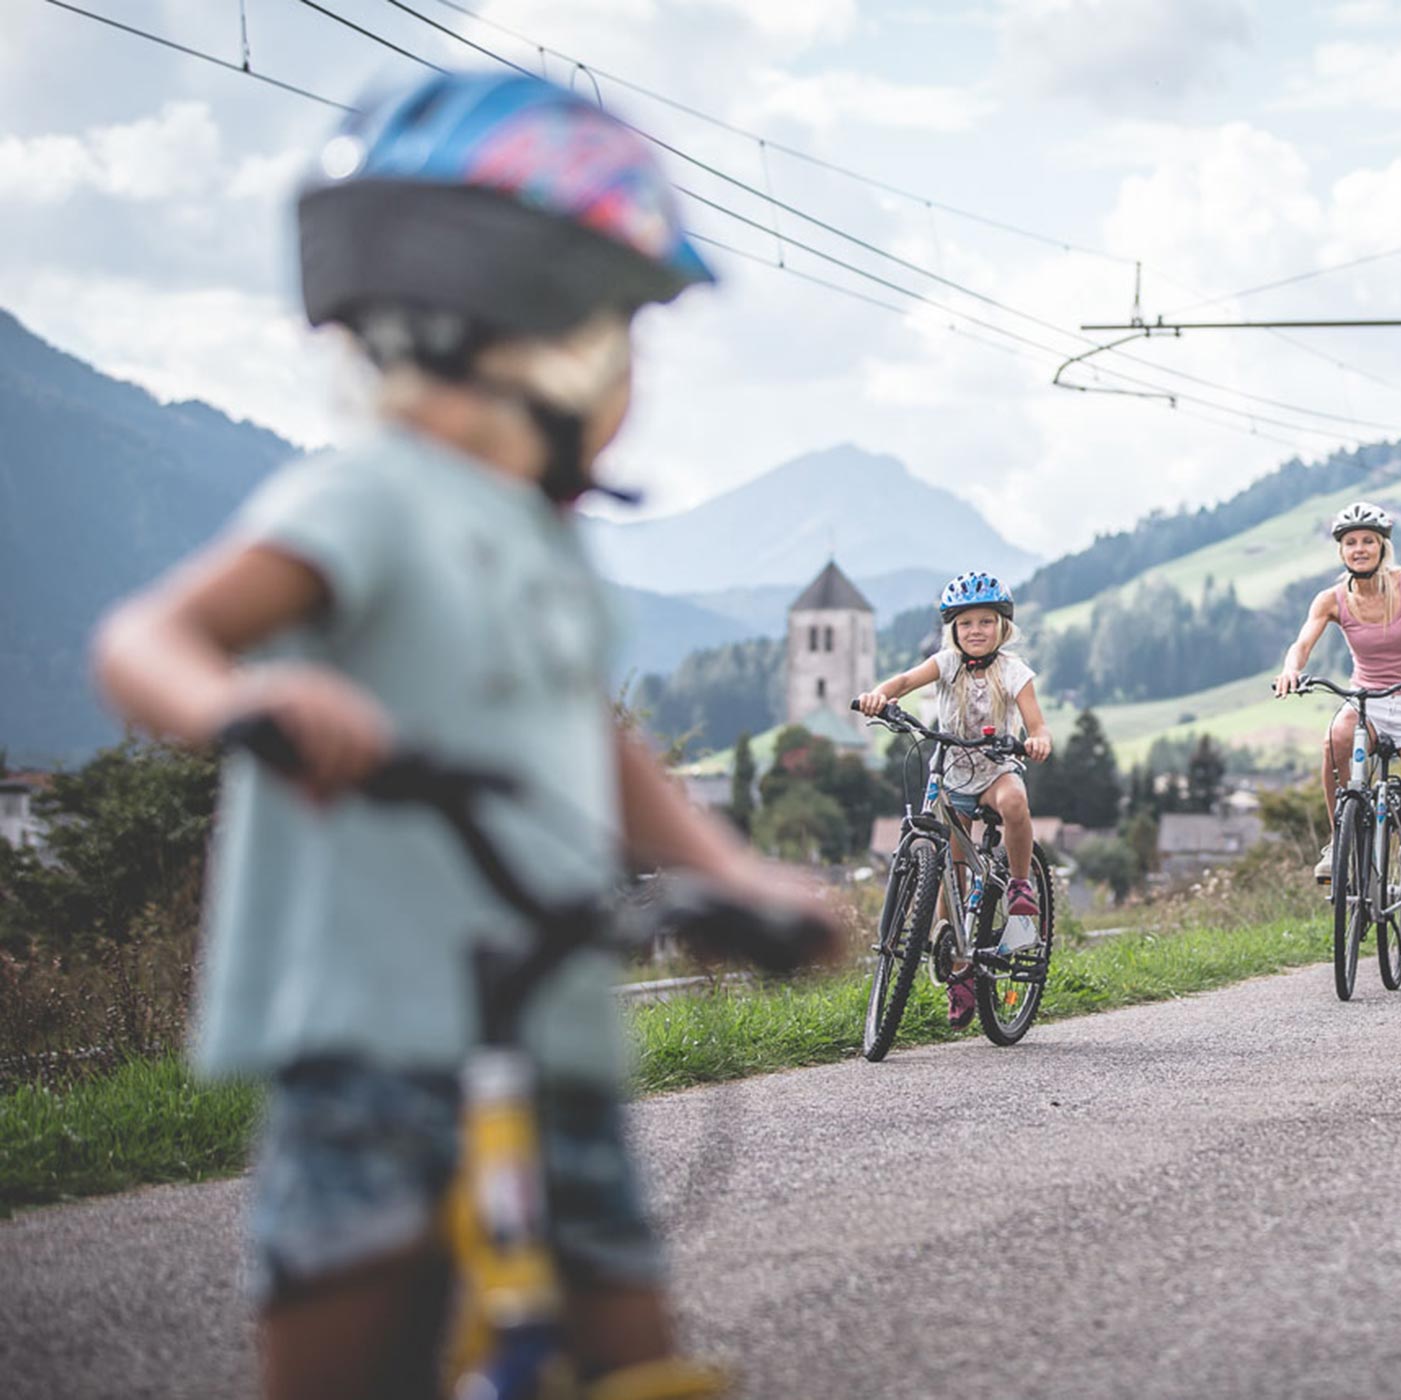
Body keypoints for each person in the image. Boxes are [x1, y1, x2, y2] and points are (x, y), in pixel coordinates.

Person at [92, 71, 835, 1400]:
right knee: (347, 1347)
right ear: (526, 327)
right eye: (622, 327)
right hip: (372, 1034)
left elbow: (597, 748)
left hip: (544, 1021)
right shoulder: (370, 498)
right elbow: (149, 640)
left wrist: (730, 873)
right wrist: (240, 702)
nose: (632, 370)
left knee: (628, 1341)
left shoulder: (536, 539)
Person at [1272, 502, 1401, 993]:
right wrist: (1290, 669)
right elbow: (1302, 643)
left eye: (1368, 540)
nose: (1360, 548)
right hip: (1365, 700)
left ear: (1382, 545)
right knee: (1334, 740)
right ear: (1341, 550)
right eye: (1351, 542)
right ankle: (1339, 841)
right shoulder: (1331, 599)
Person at [854, 571, 1053, 1025]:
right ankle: (959, 971)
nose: (976, 630)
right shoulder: (944, 664)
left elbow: (1036, 724)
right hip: (951, 778)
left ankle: (1021, 888)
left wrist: (1038, 740)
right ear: (953, 630)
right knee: (951, 878)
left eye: (986, 621)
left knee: (1016, 802)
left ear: (1002, 627)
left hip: (995, 770)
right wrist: (877, 696)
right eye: (966, 624)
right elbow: (903, 681)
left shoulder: (1013, 672)